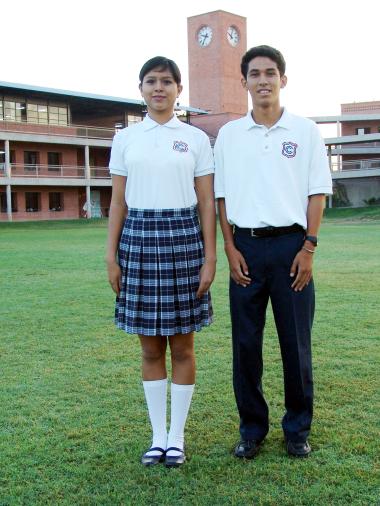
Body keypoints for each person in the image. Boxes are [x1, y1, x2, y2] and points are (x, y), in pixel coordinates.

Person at [214, 45, 332, 458]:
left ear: (283, 79)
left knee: (295, 344)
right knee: (246, 345)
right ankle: (252, 429)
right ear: (244, 82)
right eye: (254, 74)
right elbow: (221, 196)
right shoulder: (229, 135)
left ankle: (297, 430)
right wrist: (229, 246)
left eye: (270, 72)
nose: (262, 80)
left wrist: (309, 247)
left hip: (292, 249)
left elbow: (317, 192)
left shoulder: (304, 132)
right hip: (245, 247)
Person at [106, 56, 216, 467]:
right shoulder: (126, 139)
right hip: (137, 240)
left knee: (183, 345)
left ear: (178, 89)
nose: (159, 88)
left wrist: (210, 257)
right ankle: (156, 436)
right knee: (150, 348)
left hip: (184, 240)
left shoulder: (195, 138)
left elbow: (206, 201)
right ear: (140, 89)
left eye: (167, 82)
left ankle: (177, 437)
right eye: (151, 81)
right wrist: (111, 256)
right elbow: (117, 201)